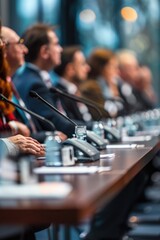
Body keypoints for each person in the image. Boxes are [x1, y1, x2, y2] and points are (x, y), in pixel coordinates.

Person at [1, 26, 67, 142]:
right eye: (19, 43)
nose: (25, 50)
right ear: (4, 48)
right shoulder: (31, 83)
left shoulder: (10, 82)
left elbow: (26, 131)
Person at [13, 23, 75, 137]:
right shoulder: (33, 84)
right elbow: (57, 124)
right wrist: (92, 129)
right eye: (56, 44)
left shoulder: (33, 78)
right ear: (44, 52)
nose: (60, 49)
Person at [80, 47, 125, 118]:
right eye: (113, 67)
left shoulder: (107, 84)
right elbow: (103, 114)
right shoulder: (91, 87)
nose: (117, 71)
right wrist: (115, 95)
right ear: (102, 68)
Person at [54, 45, 93, 122]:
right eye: (83, 64)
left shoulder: (76, 91)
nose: (88, 68)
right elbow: (70, 125)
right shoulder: (59, 94)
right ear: (70, 69)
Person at [116, 49, 156, 114]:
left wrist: (145, 87)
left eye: (136, 67)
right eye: (130, 67)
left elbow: (150, 109)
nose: (136, 71)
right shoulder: (117, 87)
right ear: (120, 70)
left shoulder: (136, 87)